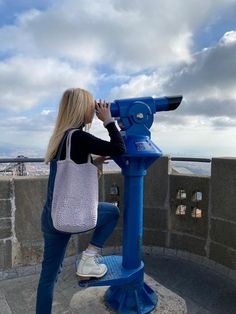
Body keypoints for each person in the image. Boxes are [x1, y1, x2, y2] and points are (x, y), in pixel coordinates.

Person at [36, 88, 125, 314]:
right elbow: (118, 148)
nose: (93, 110)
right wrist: (108, 121)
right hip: (69, 213)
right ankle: (89, 257)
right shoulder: (79, 137)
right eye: (90, 105)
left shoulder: (61, 137)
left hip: (52, 215)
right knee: (112, 213)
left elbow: (71, 169)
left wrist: (92, 162)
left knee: (48, 278)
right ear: (80, 108)